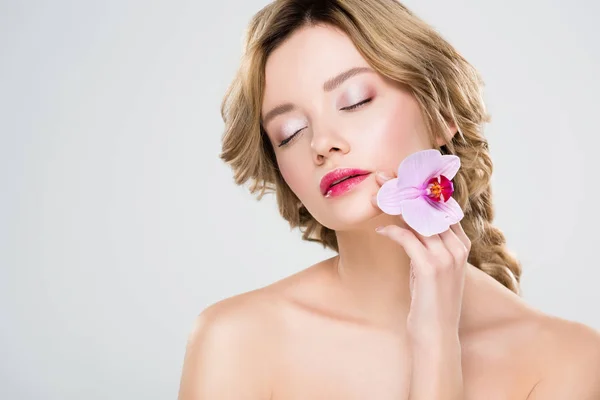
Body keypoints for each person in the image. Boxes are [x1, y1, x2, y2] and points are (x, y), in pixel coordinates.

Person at [178, 0, 600, 398]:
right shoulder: (236, 341)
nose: (321, 144)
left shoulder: (566, 360)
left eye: (356, 101)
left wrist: (436, 344)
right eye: (289, 132)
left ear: (441, 115)